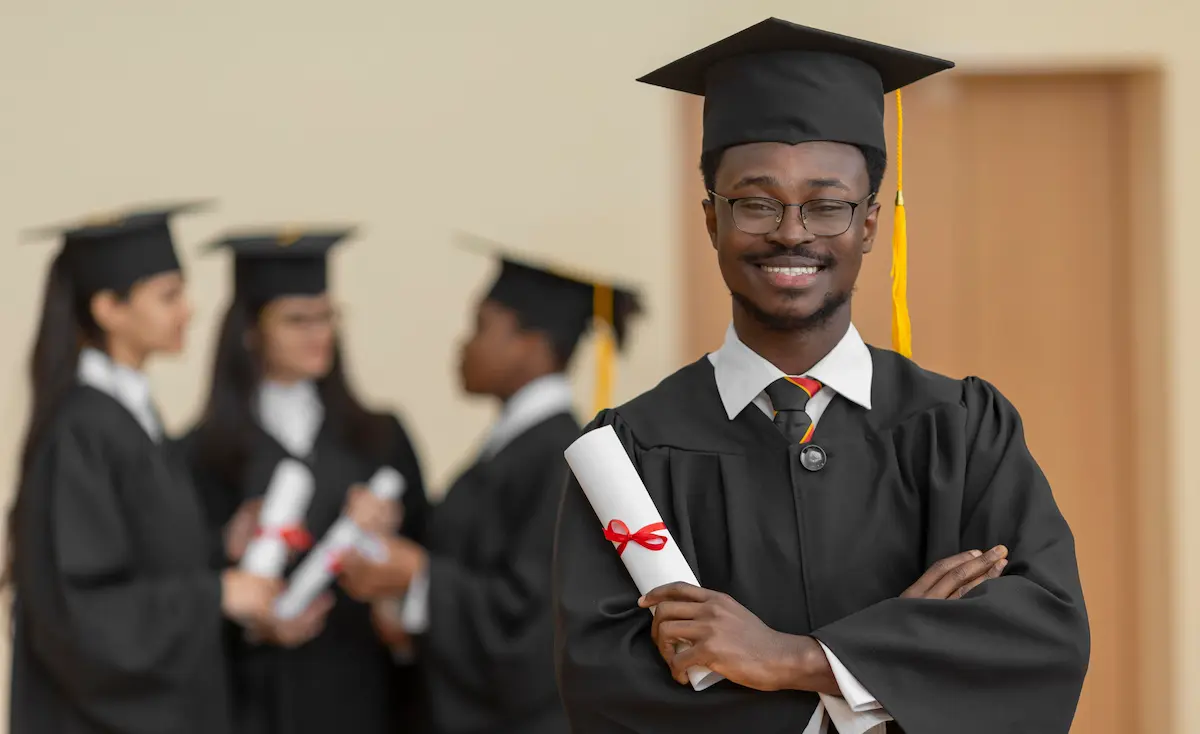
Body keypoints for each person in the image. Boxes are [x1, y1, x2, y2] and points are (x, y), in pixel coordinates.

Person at [553, 18, 1090, 734]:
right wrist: (895, 663)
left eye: (827, 205)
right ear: (711, 218)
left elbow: (1041, 637)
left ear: (869, 223)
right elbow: (608, 687)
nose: (792, 232)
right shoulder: (631, 453)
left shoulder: (964, 430)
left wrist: (795, 659)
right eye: (756, 201)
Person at [5, 203, 293, 734]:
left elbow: (139, 559)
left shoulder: (130, 416)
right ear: (110, 308)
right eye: (168, 295)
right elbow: (81, 611)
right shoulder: (82, 430)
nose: (189, 309)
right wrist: (218, 593)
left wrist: (218, 546)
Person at [337, 238, 642, 734]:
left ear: (530, 344)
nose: (464, 343)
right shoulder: (511, 449)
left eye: (481, 326)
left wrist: (418, 578)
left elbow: (536, 623)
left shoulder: (561, 460)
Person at [181, 227, 431, 734]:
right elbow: (181, 579)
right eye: (297, 319)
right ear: (250, 329)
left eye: (327, 316)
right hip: (249, 698)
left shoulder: (379, 438)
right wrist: (251, 615)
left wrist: (384, 548)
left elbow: (423, 568)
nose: (318, 333)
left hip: (357, 692)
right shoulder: (199, 453)